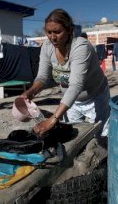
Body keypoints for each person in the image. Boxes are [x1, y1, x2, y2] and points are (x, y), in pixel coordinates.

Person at [21, 8, 110, 138]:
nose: (52, 37)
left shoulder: (80, 47)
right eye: (49, 32)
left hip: (95, 98)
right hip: (71, 101)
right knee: (72, 135)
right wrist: (31, 92)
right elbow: (42, 77)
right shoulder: (47, 47)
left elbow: (76, 85)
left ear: (69, 30)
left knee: (102, 136)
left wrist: (53, 119)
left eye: (57, 32)